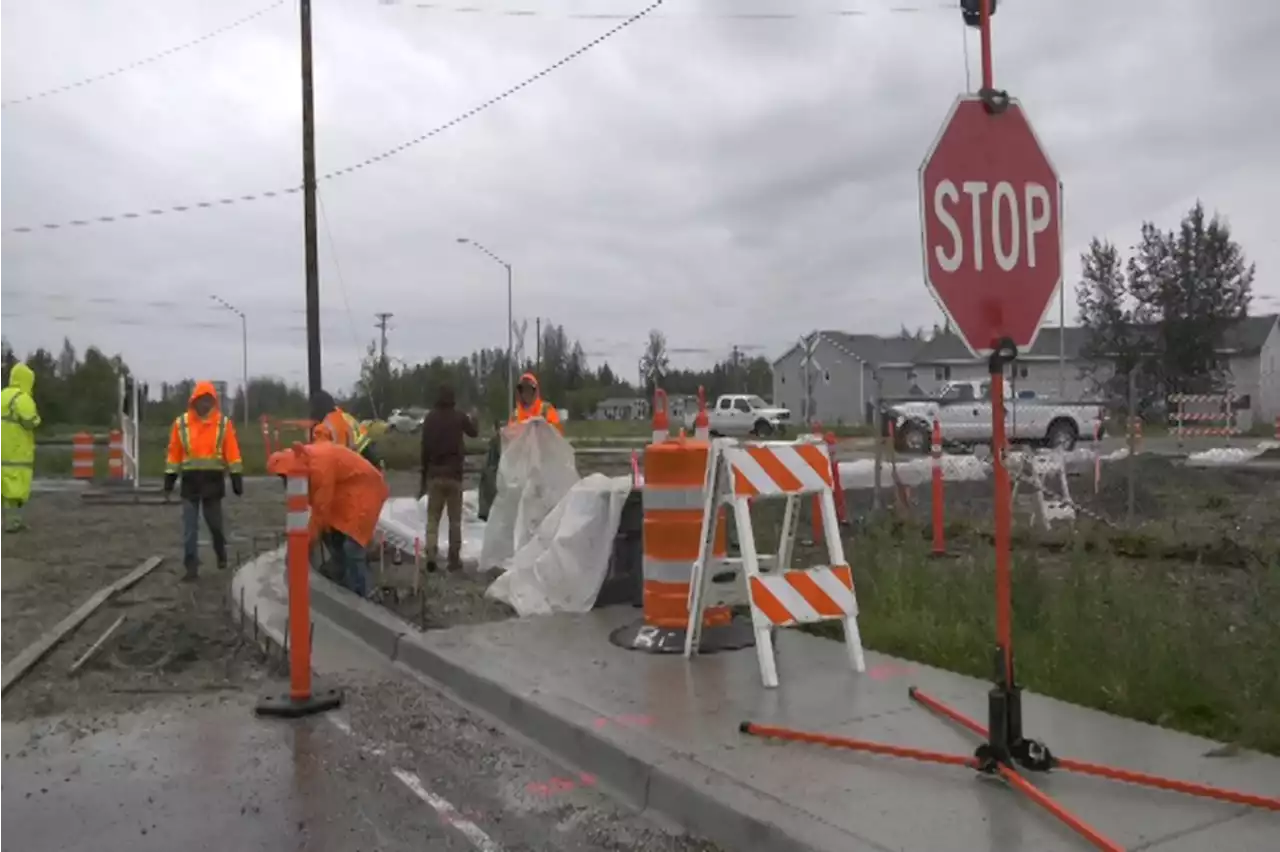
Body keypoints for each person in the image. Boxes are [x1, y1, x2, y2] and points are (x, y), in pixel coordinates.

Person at [268, 441, 388, 597]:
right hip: (345, 495)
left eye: (285, 477)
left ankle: (366, 594)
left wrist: (302, 546)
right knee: (331, 536)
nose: (285, 482)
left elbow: (320, 510)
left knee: (352, 547)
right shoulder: (307, 463)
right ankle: (344, 583)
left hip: (366, 493)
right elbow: (313, 509)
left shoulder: (319, 468)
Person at [164, 381, 243, 581]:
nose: (205, 405)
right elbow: (174, 453)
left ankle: (220, 552)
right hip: (190, 482)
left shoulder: (223, 424)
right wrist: (169, 479)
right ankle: (191, 566)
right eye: (201, 401)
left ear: (213, 401)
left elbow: (232, 452)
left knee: (215, 525)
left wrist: (236, 478)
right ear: (194, 401)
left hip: (212, 483)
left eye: (208, 401)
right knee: (190, 529)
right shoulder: (181, 424)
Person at [418, 384, 478, 572]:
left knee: (433, 520)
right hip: (454, 476)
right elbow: (474, 433)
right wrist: (474, 418)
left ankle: (431, 555)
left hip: (435, 475)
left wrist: (423, 477)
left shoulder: (430, 418)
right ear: (453, 399)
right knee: (455, 521)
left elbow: (424, 449)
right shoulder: (459, 417)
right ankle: (453, 560)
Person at [0, 363, 41, 533]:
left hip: (2, 451)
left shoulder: (2, 395)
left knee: (4, 487)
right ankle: (13, 523)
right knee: (16, 489)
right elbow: (31, 421)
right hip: (17, 451)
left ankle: (13, 522)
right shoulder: (22, 398)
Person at [310, 390, 378, 465]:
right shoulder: (341, 414)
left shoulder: (329, 424)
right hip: (369, 450)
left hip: (360, 457)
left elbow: (336, 454)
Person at [477, 419, 502, 522]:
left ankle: (486, 513)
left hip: (493, 472)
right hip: (494, 472)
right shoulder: (497, 440)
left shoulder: (496, 440)